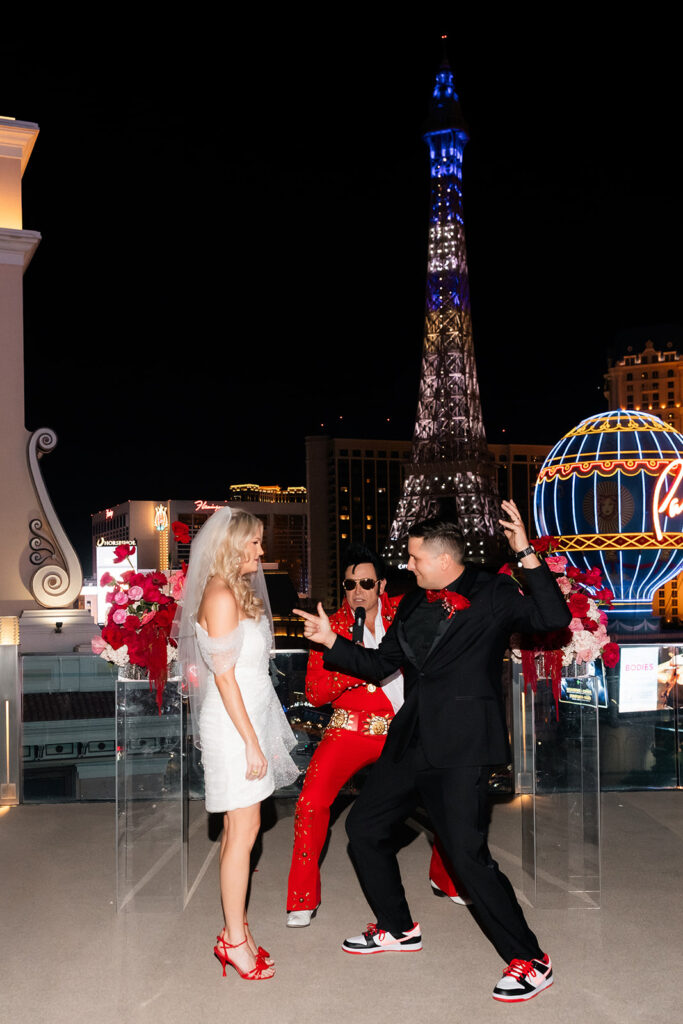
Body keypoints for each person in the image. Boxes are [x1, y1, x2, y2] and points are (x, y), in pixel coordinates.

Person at [295, 501, 571, 1003]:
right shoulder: (416, 602)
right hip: (411, 740)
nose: (408, 565)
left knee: (466, 856)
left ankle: (531, 960)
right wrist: (331, 641)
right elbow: (381, 663)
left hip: (463, 746)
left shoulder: (493, 592)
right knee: (364, 828)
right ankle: (398, 928)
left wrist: (525, 552)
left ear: (444, 560)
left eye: (415, 558)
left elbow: (554, 616)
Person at [286, 543, 463, 926]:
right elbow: (316, 693)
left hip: (404, 730)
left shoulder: (406, 612)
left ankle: (446, 879)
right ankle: (302, 897)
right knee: (311, 803)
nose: (358, 590)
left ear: (381, 584)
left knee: (447, 798)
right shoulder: (329, 626)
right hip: (349, 730)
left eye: (367, 582)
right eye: (350, 584)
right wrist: (352, 658)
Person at [175, 507, 299, 981]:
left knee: (237, 831)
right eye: (255, 543)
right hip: (233, 727)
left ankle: (237, 930)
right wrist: (251, 742)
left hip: (247, 719)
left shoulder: (232, 591)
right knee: (242, 835)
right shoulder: (222, 594)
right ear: (233, 546)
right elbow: (223, 679)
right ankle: (233, 941)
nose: (262, 551)